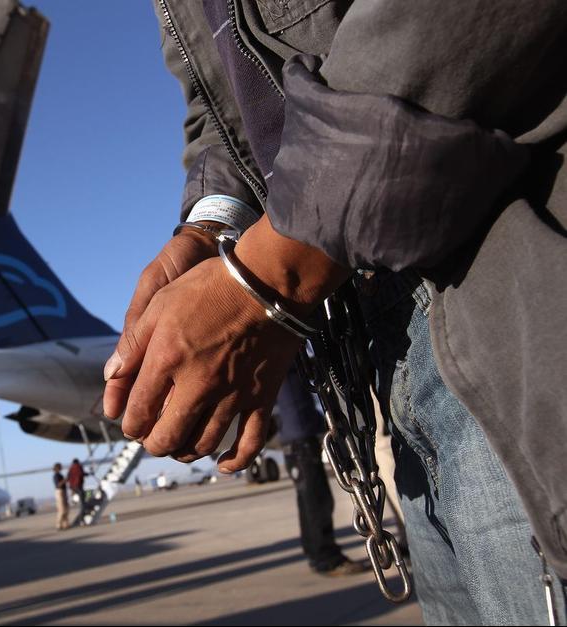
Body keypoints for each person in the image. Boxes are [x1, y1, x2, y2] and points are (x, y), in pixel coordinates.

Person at [102, 1, 567, 623]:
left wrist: (271, 271)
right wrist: (215, 223)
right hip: (382, 344)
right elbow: (222, 113)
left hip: (502, 282)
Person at [274, 369, 369, 577]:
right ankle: (325, 558)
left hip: (300, 434)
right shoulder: (278, 355)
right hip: (299, 439)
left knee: (313, 498)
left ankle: (320, 554)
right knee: (315, 499)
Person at [52, 463, 69, 531]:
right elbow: (58, 485)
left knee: (66, 509)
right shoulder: (56, 476)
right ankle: (58, 525)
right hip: (60, 492)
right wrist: (64, 480)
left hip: (63, 491)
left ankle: (65, 524)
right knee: (61, 509)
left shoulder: (60, 475)